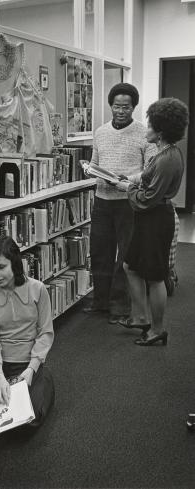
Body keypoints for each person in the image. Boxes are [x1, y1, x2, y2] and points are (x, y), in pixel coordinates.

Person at [113, 97, 189, 346]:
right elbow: (147, 178)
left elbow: (148, 199)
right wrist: (131, 180)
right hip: (149, 219)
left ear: (161, 130)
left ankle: (157, 329)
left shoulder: (168, 158)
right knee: (130, 266)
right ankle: (140, 316)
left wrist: (127, 188)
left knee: (155, 276)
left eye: (150, 126)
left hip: (156, 219)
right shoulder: (164, 153)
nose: (146, 129)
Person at [83, 82, 156, 324]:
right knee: (100, 252)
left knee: (125, 255)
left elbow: (151, 169)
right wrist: (90, 170)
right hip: (102, 200)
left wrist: (129, 179)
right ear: (110, 106)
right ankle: (100, 301)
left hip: (128, 201)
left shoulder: (144, 133)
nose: (121, 110)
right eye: (117, 106)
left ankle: (119, 306)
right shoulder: (101, 132)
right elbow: (95, 161)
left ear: (133, 107)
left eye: (126, 106)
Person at [0, 236, 55, 427]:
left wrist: (31, 369)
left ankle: (44, 380)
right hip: (0, 365)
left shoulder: (38, 289)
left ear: (15, 263)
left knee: (28, 422)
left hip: (28, 364)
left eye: (1, 267)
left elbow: (45, 332)